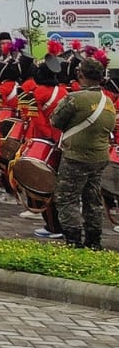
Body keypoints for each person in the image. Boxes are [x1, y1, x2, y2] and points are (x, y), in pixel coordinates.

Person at [50, 56, 118, 249]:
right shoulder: (108, 101)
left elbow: (55, 121)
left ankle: (73, 241)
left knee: (67, 199)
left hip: (75, 157)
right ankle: (94, 242)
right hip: (99, 158)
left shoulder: (75, 99)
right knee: (93, 200)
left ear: (80, 74)